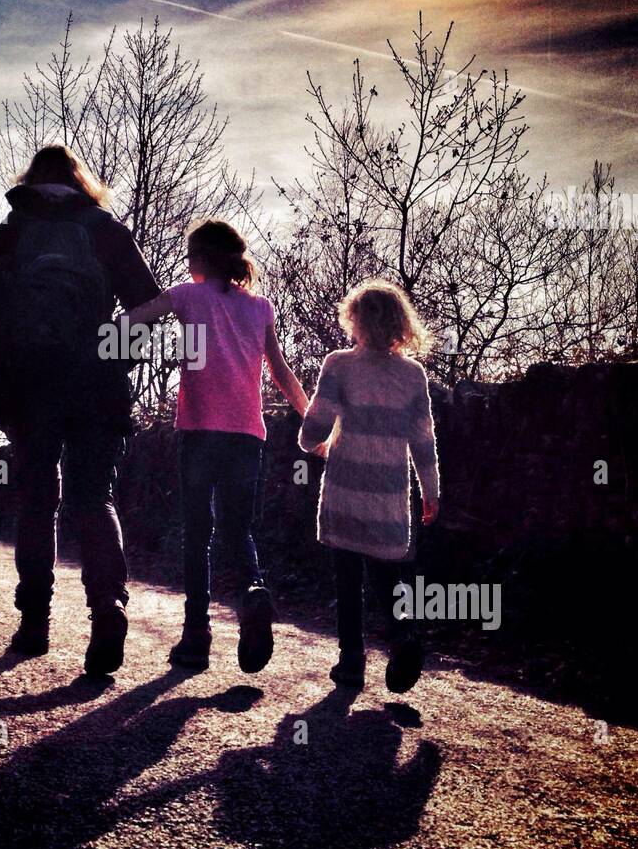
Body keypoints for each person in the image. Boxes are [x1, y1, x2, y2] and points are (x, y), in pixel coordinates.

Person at [0, 144, 158, 676]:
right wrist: (112, 358)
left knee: (37, 502)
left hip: (31, 387)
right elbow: (148, 307)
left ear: (31, 179)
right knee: (94, 497)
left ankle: (34, 623)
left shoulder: (12, 232)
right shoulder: (105, 229)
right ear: (81, 181)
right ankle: (108, 608)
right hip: (95, 388)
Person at [124, 219, 308, 673]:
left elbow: (136, 319)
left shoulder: (187, 295)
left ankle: (196, 635)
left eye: (190, 256)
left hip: (200, 431)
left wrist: (96, 332)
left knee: (197, 531)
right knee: (237, 528)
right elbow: (280, 371)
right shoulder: (260, 307)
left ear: (202, 259)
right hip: (247, 435)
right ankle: (253, 591)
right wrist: (311, 417)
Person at [299, 279, 440, 693]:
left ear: (355, 320)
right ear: (400, 323)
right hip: (389, 496)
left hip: (346, 489)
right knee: (386, 577)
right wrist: (431, 491)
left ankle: (351, 662)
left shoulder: (339, 365)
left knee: (347, 579)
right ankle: (403, 637)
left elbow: (316, 425)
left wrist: (310, 441)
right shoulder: (413, 375)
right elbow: (423, 441)